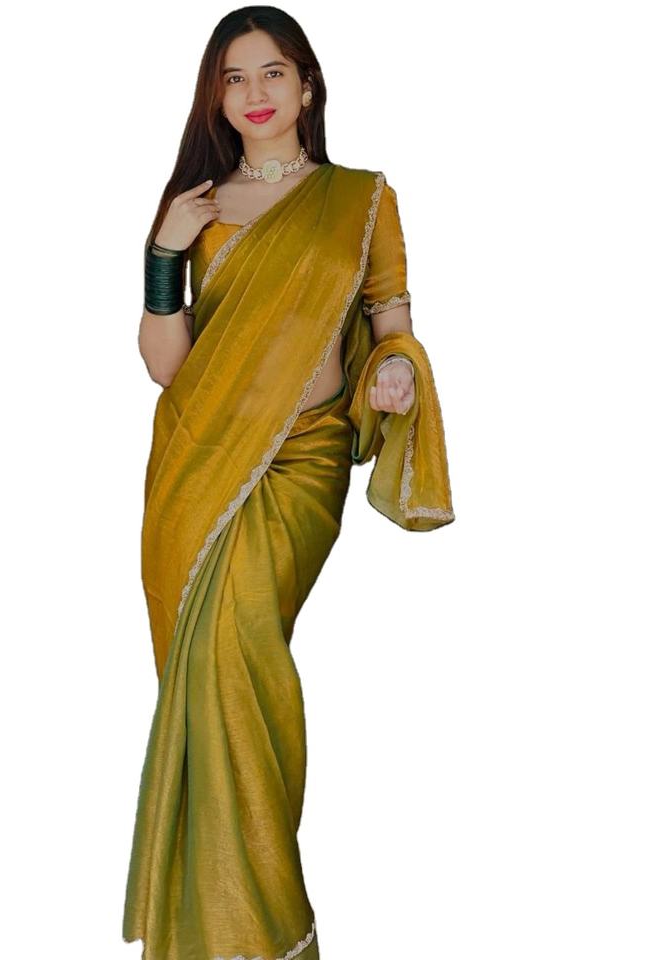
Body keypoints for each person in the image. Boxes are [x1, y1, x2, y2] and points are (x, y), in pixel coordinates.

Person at [123, 7, 454, 959]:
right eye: (234, 78)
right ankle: (231, 927)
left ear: (307, 86)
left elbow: (393, 328)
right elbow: (166, 366)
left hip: (304, 461)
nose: (255, 93)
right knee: (211, 665)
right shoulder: (197, 205)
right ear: (216, 98)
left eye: (273, 72)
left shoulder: (361, 199)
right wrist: (163, 254)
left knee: (242, 646)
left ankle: (262, 919)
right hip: (198, 461)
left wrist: (398, 375)